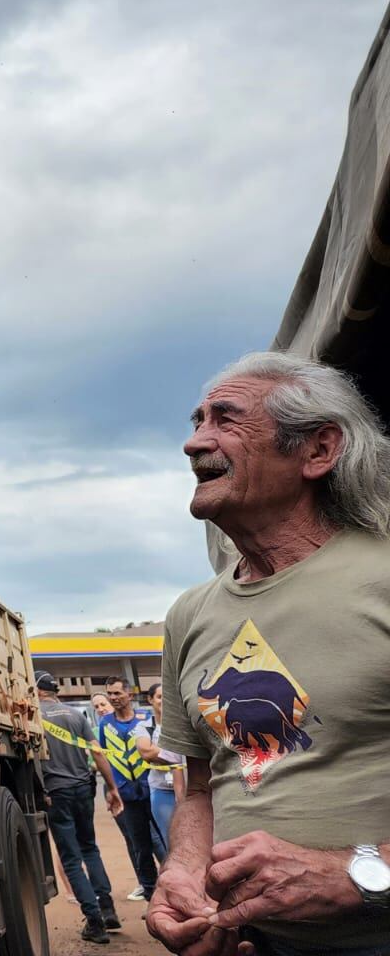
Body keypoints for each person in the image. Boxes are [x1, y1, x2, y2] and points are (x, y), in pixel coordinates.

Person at [147, 352, 390, 956]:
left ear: (317, 451)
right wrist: (183, 870)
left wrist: (359, 876)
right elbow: (202, 787)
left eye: (225, 420)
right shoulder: (189, 614)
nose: (193, 442)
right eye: (197, 419)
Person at [37, 671, 125, 943]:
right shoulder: (76, 716)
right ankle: (107, 908)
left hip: (57, 792)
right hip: (83, 789)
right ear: (54, 691)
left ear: (37, 691)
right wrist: (112, 788)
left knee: (71, 858)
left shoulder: (33, 715)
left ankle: (95, 922)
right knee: (89, 848)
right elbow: (97, 752)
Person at [99, 677, 161, 900]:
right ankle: (151, 897)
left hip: (153, 790)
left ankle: (174, 890)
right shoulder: (105, 724)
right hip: (127, 795)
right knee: (141, 848)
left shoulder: (145, 719)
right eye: (110, 694)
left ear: (130, 695)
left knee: (164, 842)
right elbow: (104, 757)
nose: (113, 698)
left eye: (117, 693)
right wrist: (110, 788)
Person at [134, 682, 185, 859]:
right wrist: (176, 754)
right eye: (159, 697)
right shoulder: (144, 727)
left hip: (189, 790)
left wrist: (159, 751)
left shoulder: (183, 725)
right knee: (170, 841)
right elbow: (146, 752)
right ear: (150, 699)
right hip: (162, 792)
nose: (164, 701)